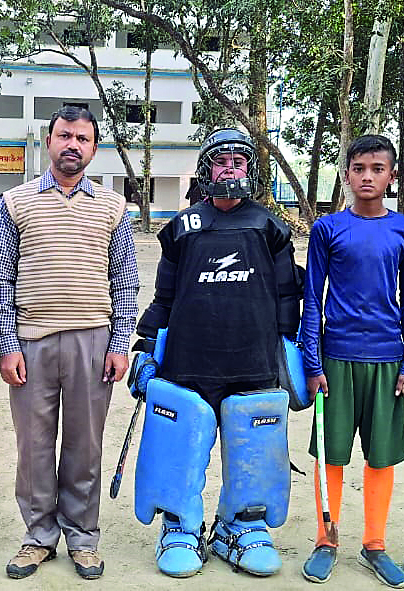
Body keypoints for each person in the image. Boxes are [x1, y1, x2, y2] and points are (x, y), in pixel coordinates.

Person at [130, 128, 301, 578]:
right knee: (180, 439)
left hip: (254, 362)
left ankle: (241, 526)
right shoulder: (182, 229)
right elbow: (163, 298)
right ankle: (180, 525)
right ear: (206, 170)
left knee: (255, 442)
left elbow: (288, 298)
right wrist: (145, 348)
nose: (231, 167)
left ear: (251, 169)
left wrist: (291, 353)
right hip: (189, 361)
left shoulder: (270, 227)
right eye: (221, 160)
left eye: (239, 160)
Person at [0, 106, 140, 581]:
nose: (72, 144)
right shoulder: (14, 203)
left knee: (85, 446)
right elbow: (0, 278)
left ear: (95, 149)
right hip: (31, 344)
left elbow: (125, 280)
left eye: (83, 138)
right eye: (64, 135)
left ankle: (82, 537)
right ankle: (38, 537)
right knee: (33, 447)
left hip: (93, 344)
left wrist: (120, 343)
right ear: (48, 141)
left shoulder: (114, 208)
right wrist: (8, 343)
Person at [298, 135, 404, 588]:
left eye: (377, 168)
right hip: (336, 359)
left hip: (388, 360)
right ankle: (326, 541)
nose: (367, 177)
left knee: (381, 458)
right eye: (358, 168)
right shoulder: (328, 229)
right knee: (331, 456)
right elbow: (312, 300)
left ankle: (374, 544)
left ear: (391, 176)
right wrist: (313, 364)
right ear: (347, 174)